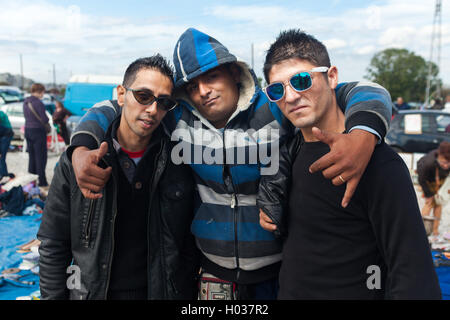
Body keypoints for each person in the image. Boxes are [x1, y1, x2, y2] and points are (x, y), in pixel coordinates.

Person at [68, 28, 393, 300]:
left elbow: (360, 89)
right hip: (213, 272)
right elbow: (113, 106)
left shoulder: (275, 104)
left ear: (234, 73)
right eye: (192, 87)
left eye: (211, 77)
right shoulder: (177, 118)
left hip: (279, 267)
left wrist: (364, 134)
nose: (203, 92)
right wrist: (80, 148)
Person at [258, 29, 441, 299]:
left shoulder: (376, 160)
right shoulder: (289, 154)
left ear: (332, 77)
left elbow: (413, 274)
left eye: (301, 80)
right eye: (278, 88)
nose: (292, 96)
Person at [37, 55, 200, 300]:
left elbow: (186, 242)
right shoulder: (79, 162)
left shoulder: (177, 162)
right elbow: (53, 244)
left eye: (164, 102)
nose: (153, 109)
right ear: (121, 95)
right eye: (143, 96)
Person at [417, 141, 450, 236]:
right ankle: (422, 230)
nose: (446, 165)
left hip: (440, 179)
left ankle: (435, 231)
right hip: (427, 179)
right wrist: (428, 194)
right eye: (444, 162)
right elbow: (421, 179)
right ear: (439, 157)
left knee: (438, 204)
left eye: (449, 163)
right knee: (429, 203)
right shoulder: (428, 162)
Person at [23, 83, 49, 187]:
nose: (43, 94)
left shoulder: (25, 102)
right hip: (38, 131)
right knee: (41, 157)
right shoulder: (38, 103)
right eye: (43, 92)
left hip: (28, 130)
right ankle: (42, 182)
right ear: (40, 91)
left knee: (32, 157)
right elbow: (44, 119)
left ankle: (31, 181)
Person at [0, 110, 14, 180]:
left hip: (6, 136)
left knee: (2, 156)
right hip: (4, 135)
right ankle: (3, 173)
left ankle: (3, 174)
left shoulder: (1, 114)